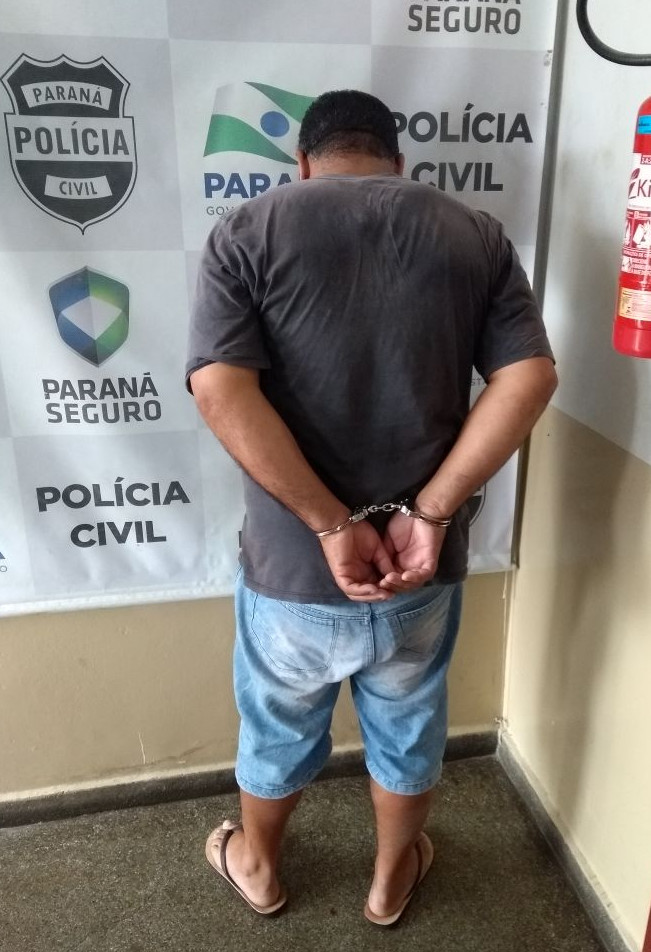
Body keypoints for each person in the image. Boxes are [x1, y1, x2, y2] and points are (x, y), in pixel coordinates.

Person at [186, 89, 556, 925]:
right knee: (408, 725)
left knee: (277, 727)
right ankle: (390, 881)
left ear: (303, 163)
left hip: (292, 569)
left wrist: (330, 524)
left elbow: (219, 388)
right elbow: (530, 376)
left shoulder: (246, 230)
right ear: (397, 163)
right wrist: (429, 513)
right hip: (420, 567)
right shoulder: (473, 233)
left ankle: (259, 869)